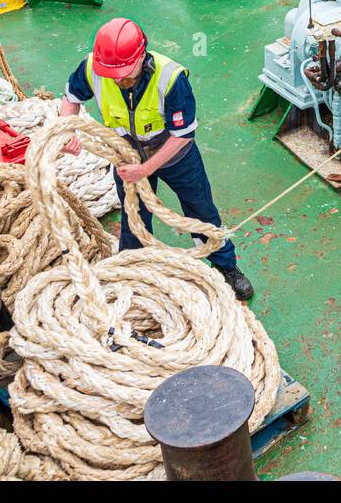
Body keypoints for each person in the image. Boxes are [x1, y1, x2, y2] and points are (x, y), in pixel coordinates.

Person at [59, 18, 254, 300]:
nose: (116, 79)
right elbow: (70, 97)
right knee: (133, 217)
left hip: (175, 155)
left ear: (142, 57)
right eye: (111, 73)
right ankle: (133, 271)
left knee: (201, 211)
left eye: (123, 73)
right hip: (126, 154)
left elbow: (183, 136)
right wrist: (68, 128)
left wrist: (147, 168)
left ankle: (227, 267)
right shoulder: (94, 68)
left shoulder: (170, 79)